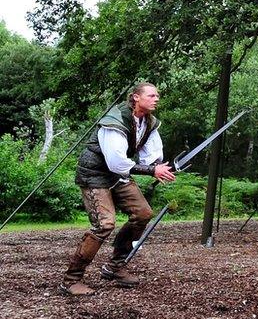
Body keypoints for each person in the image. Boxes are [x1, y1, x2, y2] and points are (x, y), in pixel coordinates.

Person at [58, 83, 175, 296]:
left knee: (143, 213)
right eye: (151, 95)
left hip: (117, 174)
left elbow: (151, 158)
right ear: (136, 98)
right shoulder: (116, 120)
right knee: (105, 224)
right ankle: (71, 279)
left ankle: (114, 266)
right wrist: (151, 171)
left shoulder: (148, 123)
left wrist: (164, 168)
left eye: (157, 95)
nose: (156, 98)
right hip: (95, 174)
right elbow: (116, 162)